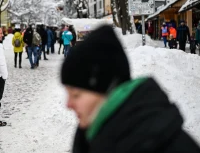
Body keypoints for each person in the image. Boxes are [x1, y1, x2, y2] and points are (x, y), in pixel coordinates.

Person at [60, 25, 200, 153]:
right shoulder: (90, 135)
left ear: (108, 89)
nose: (68, 104)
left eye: (76, 94)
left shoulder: (170, 145)